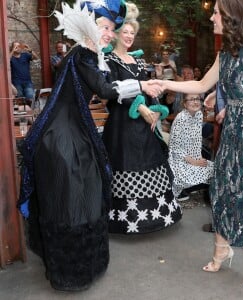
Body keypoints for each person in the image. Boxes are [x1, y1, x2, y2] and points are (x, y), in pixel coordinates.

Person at [17, 0, 162, 291]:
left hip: (73, 131)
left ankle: (83, 263)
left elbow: (105, 84)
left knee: (84, 192)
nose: (109, 33)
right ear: (89, 26)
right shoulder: (83, 53)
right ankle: (71, 271)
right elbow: (107, 90)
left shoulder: (89, 53)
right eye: (104, 27)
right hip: (63, 136)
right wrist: (143, 86)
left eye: (111, 28)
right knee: (70, 199)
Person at [153, 0, 243, 288]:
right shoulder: (226, 54)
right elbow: (199, 85)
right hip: (233, 130)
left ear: (231, 16)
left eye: (216, 13)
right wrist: (167, 84)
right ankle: (222, 249)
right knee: (221, 188)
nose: (211, 17)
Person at [103, 2, 182, 234]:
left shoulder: (138, 60)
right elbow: (113, 91)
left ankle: (154, 217)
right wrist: (140, 108)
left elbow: (146, 88)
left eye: (132, 33)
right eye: (125, 32)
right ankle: (124, 220)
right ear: (116, 34)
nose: (129, 36)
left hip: (145, 123)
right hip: (122, 124)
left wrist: (155, 108)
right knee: (125, 163)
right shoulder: (110, 61)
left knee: (149, 161)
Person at [168, 93, 214, 200]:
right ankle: (185, 189)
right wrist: (194, 162)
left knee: (215, 169)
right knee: (205, 172)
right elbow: (175, 148)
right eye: (192, 99)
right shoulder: (181, 118)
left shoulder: (199, 115)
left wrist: (199, 159)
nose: (196, 102)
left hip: (194, 158)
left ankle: (191, 187)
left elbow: (197, 142)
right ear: (184, 103)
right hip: (178, 161)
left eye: (197, 98)